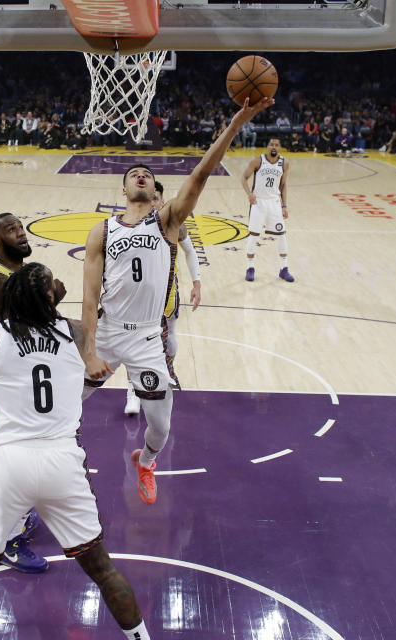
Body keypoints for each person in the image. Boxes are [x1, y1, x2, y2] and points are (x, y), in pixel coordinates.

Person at [81, 97, 273, 505]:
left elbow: (201, 173)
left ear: (154, 191)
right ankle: (51, 461)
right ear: (123, 188)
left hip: (149, 338)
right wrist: (89, 349)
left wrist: (237, 121)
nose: (140, 175)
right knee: (62, 404)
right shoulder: (101, 231)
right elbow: (88, 297)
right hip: (110, 330)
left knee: (160, 426)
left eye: (146, 174)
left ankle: (146, 462)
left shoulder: (167, 221)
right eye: (133, 173)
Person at [0, 263, 151, 640]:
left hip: (8, 463)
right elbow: (58, 297)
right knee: (102, 569)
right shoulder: (76, 332)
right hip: (62, 462)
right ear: (50, 297)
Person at [0, 212, 52, 574]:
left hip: (25, 377)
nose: (21, 234)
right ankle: (5, 540)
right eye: (12, 230)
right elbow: (30, 319)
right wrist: (51, 292)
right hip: (4, 382)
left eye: (21, 228)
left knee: (24, 455)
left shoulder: (19, 276)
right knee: (13, 459)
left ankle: (8, 521)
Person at [124, 182, 202, 415]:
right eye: (150, 198)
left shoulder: (173, 223)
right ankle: (132, 389)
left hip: (167, 291)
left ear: (161, 201)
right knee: (134, 342)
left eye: (156, 198)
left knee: (169, 340)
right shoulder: (131, 223)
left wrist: (196, 282)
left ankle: (168, 371)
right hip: (138, 291)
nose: (153, 202)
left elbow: (190, 251)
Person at [242, 136, 293, 283]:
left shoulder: (284, 163)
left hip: (275, 203)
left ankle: (284, 269)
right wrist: (249, 194)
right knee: (253, 235)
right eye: (271, 144)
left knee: (282, 235)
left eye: (277, 145)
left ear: (280, 148)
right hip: (258, 203)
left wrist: (284, 205)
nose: (274, 147)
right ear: (267, 146)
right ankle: (250, 268)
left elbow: (283, 185)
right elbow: (243, 178)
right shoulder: (257, 161)